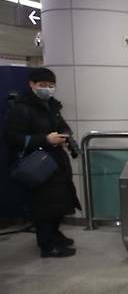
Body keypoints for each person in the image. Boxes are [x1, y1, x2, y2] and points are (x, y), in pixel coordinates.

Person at [5, 67, 81, 258]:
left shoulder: (52, 106)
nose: (47, 89)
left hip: (56, 162)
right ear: (32, 85)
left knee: (60, 201)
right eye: (43, 85)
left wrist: (66, 135)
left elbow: (61, 125)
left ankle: (55, 234)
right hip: (38, 164)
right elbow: (12, 137)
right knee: (44, 205)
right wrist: (45, 139)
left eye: (51, 85)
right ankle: (47, 245)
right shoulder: (22, 109)